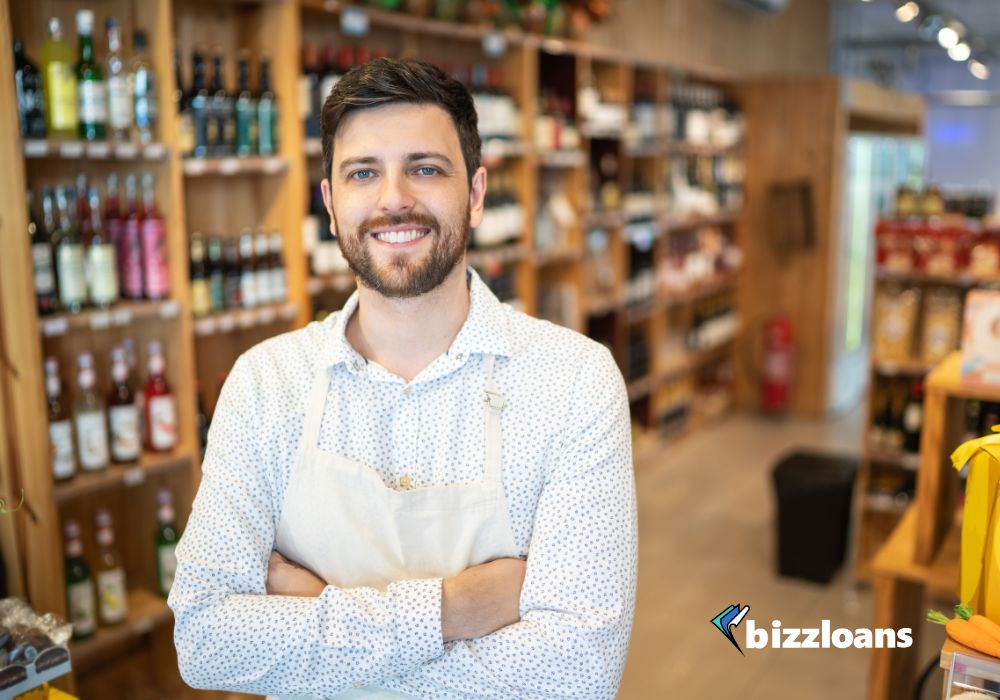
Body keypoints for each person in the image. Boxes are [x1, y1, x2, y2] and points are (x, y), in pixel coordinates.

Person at [169, 57, 637, 699]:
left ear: (475, 194)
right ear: (331, 204)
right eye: (364, 172)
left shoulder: (574, 381)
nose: (394, 198)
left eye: (425, 168)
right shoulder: (265, 384)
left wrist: (319, 611)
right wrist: (455, 610)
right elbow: (204, 641)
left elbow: (576, 676)